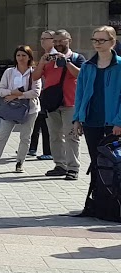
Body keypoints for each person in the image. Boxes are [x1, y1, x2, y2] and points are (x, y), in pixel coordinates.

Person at [74, 26, 121, 221]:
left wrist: (119, 121)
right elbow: (80, 93)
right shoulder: (87, 66)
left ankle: (113, 204)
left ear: (112, 42)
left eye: (102, 40)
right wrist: (77, 118)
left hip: (113, 122)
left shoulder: (119, 65)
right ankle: (95, 204)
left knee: (112, 163)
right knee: (95, 162)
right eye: (95, 40)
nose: (97, 43)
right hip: (91, 120)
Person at [0, 46, 42, 173]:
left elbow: (36, 92)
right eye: (18, 55)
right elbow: (1, 90)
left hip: (29, 108)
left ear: (29, 57)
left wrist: (18, 95)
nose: (21, 58)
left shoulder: (34, 72)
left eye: (24, 55)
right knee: (2, 135)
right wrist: (12, 93)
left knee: (25, 137)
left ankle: (20, 162)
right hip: (11, 107)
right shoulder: (9, 72)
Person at [35, 29, 85, 181]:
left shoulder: (77, 58)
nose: (58, 44)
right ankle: (60, 165)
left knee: (71, 136)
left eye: (61, 41)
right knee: (55, 135)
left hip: (70, 103)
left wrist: (66, 61)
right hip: (52, 103)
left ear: (69, 40)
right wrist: (42, 62)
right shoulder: (48, 58)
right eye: (55, 41)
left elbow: (80, 75)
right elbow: (35, 77)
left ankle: (73, 168)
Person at [28, 30, 57, 162]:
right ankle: (32, 147)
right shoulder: (44, 55)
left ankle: (49, 151)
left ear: (53, 40)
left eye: (46, 38)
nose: (42, 41)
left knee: (46, 123)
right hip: (42, 93)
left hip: (51, 93)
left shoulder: (55, 56)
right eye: (41, 38)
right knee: (37, 120)